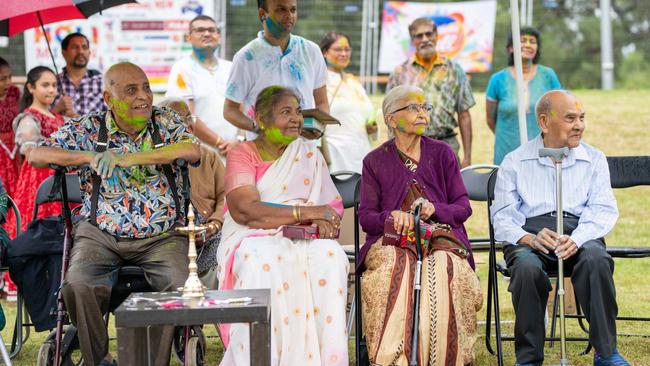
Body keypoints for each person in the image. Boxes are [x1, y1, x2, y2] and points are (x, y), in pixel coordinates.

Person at [29, 62, 201, 366]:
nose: (144, 97)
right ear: (109, 98)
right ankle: (99, 360)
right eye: (131, 90)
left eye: (146, 87)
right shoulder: (89, 127)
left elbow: (192, 150)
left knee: (178, 285)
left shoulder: (166, 121)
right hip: (101, 234)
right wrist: (89, 156)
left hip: (162, 236)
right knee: (78, 284)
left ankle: (150, 361)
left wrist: (128, 158)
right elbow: (37, 154)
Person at [491, 90, 629, 366]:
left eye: (581, 117)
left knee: (597, 260)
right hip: (531, 235)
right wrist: (527, 237)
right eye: (570, 118)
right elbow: (502, 216)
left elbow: (603, 210)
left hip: (579, 231)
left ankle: (606, 352)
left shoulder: (594, 159)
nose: (579, 125)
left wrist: (577, 238)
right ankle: (528, 359)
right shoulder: (515, 161)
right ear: (543, 122)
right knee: (527, 269)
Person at [216, 86, 348, 365]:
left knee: (330, 256)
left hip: (303, 237)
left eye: (298, 112)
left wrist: (324, 223)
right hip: (251, 235)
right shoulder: (243, 153)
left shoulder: (309, 154)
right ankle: (263, 357)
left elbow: (331, 208)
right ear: (261, 120)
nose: (295, 119)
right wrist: (306, 212)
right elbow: (245, 211)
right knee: (261, 258)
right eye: (285, 112)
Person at [358, 85, 482, 365]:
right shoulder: (374, 161)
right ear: (391, 119)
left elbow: (463, 207)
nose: (422, 113)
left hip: (441, 238)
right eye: (413, 108)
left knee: (444, 269)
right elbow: (366, 216)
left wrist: (435, 208)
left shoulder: (443, 153)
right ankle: (393, 359)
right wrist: (391, 217)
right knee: (394, 270)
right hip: (392, 241)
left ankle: (444, 358)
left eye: (425, 108)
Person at [223, 0, 329, 138]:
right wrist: (260, 129)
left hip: (304, 151)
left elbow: (322, 102)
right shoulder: (246, 57)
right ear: (262, 13)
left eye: (293, 10)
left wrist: (319, 126)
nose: (289, 15)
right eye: (281, 10)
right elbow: (230, 110)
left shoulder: (310, 50)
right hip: (264, 153)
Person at [387, 17, 475, 168]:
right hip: (410, 147)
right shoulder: (400, 73)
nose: (425, 39)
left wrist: (467, 157)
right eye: (419, 36)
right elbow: (391, 117)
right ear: (412, 40)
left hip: (447, 145)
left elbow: (464, 115)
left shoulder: (454, 70)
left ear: (436, 36)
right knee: (413, 192)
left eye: (429, 34)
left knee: (449, 191)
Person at [158, 97, 225, 289]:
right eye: (177, 120)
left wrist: (214, 224)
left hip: (210, 233)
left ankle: (217, 313)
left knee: (226, 252)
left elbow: (226, 196)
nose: (186, 125)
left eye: (188, 118)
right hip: (168, 239)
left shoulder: (208, 156)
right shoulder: (152, 161)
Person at [486, 27, 562, 165]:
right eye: (522, 41)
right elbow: (491, 120)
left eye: (532, 41)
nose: (527, 45)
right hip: (506, 149)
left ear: (537, 48)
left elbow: (560, 110)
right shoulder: (497, 79)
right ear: (510, 48)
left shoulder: (548, 75)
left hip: (542, 150)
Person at [166, 15, 238, 156]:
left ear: (219, 36)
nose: (206, 34)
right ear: (189, 37)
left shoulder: (231, 68)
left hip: (237, 152)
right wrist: (220, 143)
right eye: (200, 30)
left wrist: (239, 140)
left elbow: (242, 108)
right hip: (203, 155)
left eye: (212, 30)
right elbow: (187, 116)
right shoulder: (182, 69)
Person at [10, 66, 65, 237]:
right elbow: (30, 153)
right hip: (38, 179)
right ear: (31, 87)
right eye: (45, 85)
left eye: (54, 85)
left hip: (60, 176)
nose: (51, 90)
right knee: (41, 228)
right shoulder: (28, 119)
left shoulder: (58, 117)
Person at [319, 31, 375, 174]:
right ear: (325, 52)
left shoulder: (354, 82)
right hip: (335, 157)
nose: (344, 54)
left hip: (361, 154)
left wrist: (373, 129)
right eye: (338, 49)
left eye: (347, 49)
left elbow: (367, 117)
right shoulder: (319, 82)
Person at [52, 32, 106, 117]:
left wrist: (81, 122)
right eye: (75, 47)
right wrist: (56, 110)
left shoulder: (102, 82)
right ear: (64, 53)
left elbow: (112, 118)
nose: (80, 51)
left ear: (89, 52)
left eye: (84, 47)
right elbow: (43, 122)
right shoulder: (53, 83)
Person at [0, 57, 20, 199]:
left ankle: (16, 218)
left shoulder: (14, 92)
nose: (8, 82)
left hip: (14, 147)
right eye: (2, 79)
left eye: (9, 77)